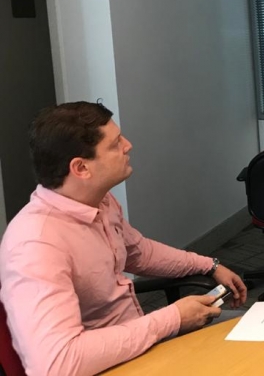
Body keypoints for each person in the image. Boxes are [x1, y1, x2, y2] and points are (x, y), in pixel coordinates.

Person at [0, 102, 248, 376]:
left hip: (141, 344)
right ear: (81, 168)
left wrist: (209, 265)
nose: (128, 146)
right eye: (115, 143)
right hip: (107, 366)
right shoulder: (36, 243)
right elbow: (57, 364)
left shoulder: (100, 202)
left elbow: (139, 252)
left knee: (258, 336)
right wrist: (172, 318)